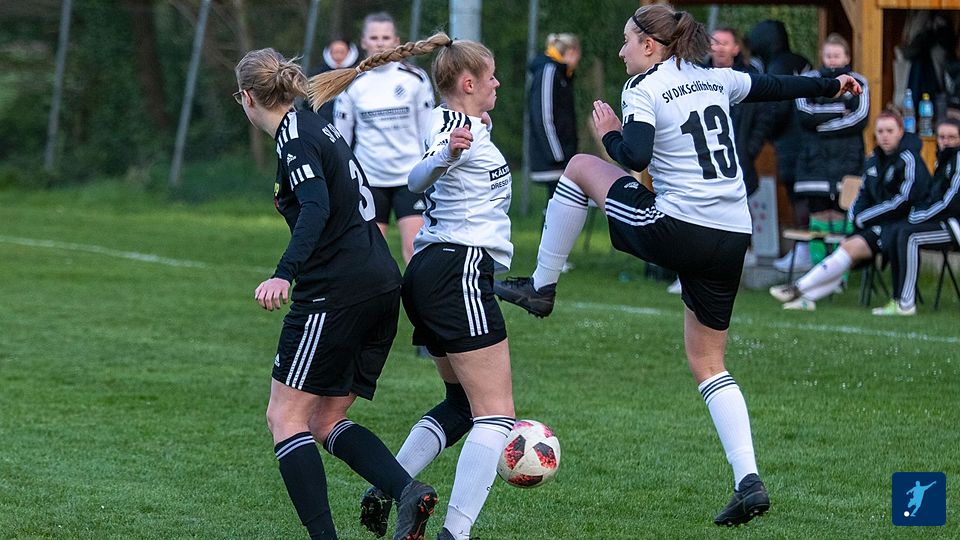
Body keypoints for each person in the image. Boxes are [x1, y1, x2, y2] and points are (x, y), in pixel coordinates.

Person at [494, 4, 862, 526]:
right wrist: (831, 83)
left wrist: (609, 131)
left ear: (650, 45)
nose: (620, 50)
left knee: (578, 167)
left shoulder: (643, 87)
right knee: (709, 363)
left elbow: (635, 156)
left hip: (679, 227)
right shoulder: (715, 77)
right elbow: (776, 86)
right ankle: (748, 481)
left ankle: (541, 286)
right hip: (732, 236)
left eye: (626, 40)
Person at [235, 48, 438, 540]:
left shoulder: (296, 138)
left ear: (246, 98)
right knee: (325, 419)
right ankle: (408, 491)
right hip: (380, 283)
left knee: (284, 417)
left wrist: (284, 274)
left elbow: (315, 207)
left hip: (337, 292)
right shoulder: (313, 124)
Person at [356, 38, 516, 540]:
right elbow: (417, 175)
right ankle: (455, 534)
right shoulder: (451, 127)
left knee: (462, 405)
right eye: (490, 76)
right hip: (457, 270)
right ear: (467, 83)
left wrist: (468, 139)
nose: (497, 82)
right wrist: (446, 153)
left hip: (435, 269)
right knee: (497, 415)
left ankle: (389, 487)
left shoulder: (467, 124)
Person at [770, 110, 930, 311]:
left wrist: (865, 218)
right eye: (880, 131)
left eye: (890, 131)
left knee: (849, 250)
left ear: (901, 132)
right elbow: (862, 196)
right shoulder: (873, 160)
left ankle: (798, 288)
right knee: (848, 251)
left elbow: (904, 201)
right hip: (875, 225)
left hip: (900, 227)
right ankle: (806, 297)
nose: (885, 136)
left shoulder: (909, 159)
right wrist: (856, 219)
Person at [333, 12, 436, 265]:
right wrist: (342, 179)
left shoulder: (415, 79)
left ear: (397, 41)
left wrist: (430, 169)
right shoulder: (351, 83)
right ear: (363, 42)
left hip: (410, 178)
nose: (380, 43)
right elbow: (341, 139)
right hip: (369, 179)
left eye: (386, 37)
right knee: (371, 256)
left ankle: (417, 292)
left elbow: (428, 131)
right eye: (374, 37)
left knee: (415, 250)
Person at [793, 34, 870, 265]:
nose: (832, 60)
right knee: (818, 214)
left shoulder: (859, 81)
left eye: (837, 55)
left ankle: (838, 270)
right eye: (828, 55)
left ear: (847, 57)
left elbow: (859, 118)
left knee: (841, 214)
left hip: (847, 160)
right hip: (814, 161)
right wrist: (839, 110)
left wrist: (821, 127)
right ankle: (818, 267)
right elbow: (804, 114)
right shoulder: (809, 80)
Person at [747, 20, 815, 272]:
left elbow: (777, 106)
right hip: (807, 138)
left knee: (798, 194)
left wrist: (763, 130)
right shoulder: (798, 61)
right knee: (805, 194)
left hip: (792, 141)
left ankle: (803, 250)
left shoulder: (779, 66)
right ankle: (806, 250)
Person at [873, 118, 960, 316]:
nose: (946, 142)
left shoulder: (958, 159)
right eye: (942, 137)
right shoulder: (943, 159)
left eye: (952, 137)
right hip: (944, 222)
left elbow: (951, 201)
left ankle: (906, 303)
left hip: (955, 226)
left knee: (910, 235)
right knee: (898, 229)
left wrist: (920, 216)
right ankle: (897, 298)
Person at [528, 32, 581, 201]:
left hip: (562, 158)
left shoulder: (561, 74)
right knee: (557, 206)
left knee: (561, 206)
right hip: (554, 160)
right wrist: (557, 156)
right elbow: (543, 116)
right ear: (571, 52)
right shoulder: (549, 71)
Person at [311, 37, 360, 121]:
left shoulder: (359, 75)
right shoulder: (318, 73)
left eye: (342, 52)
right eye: (335, 52)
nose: (338, 56)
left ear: (349, 52)